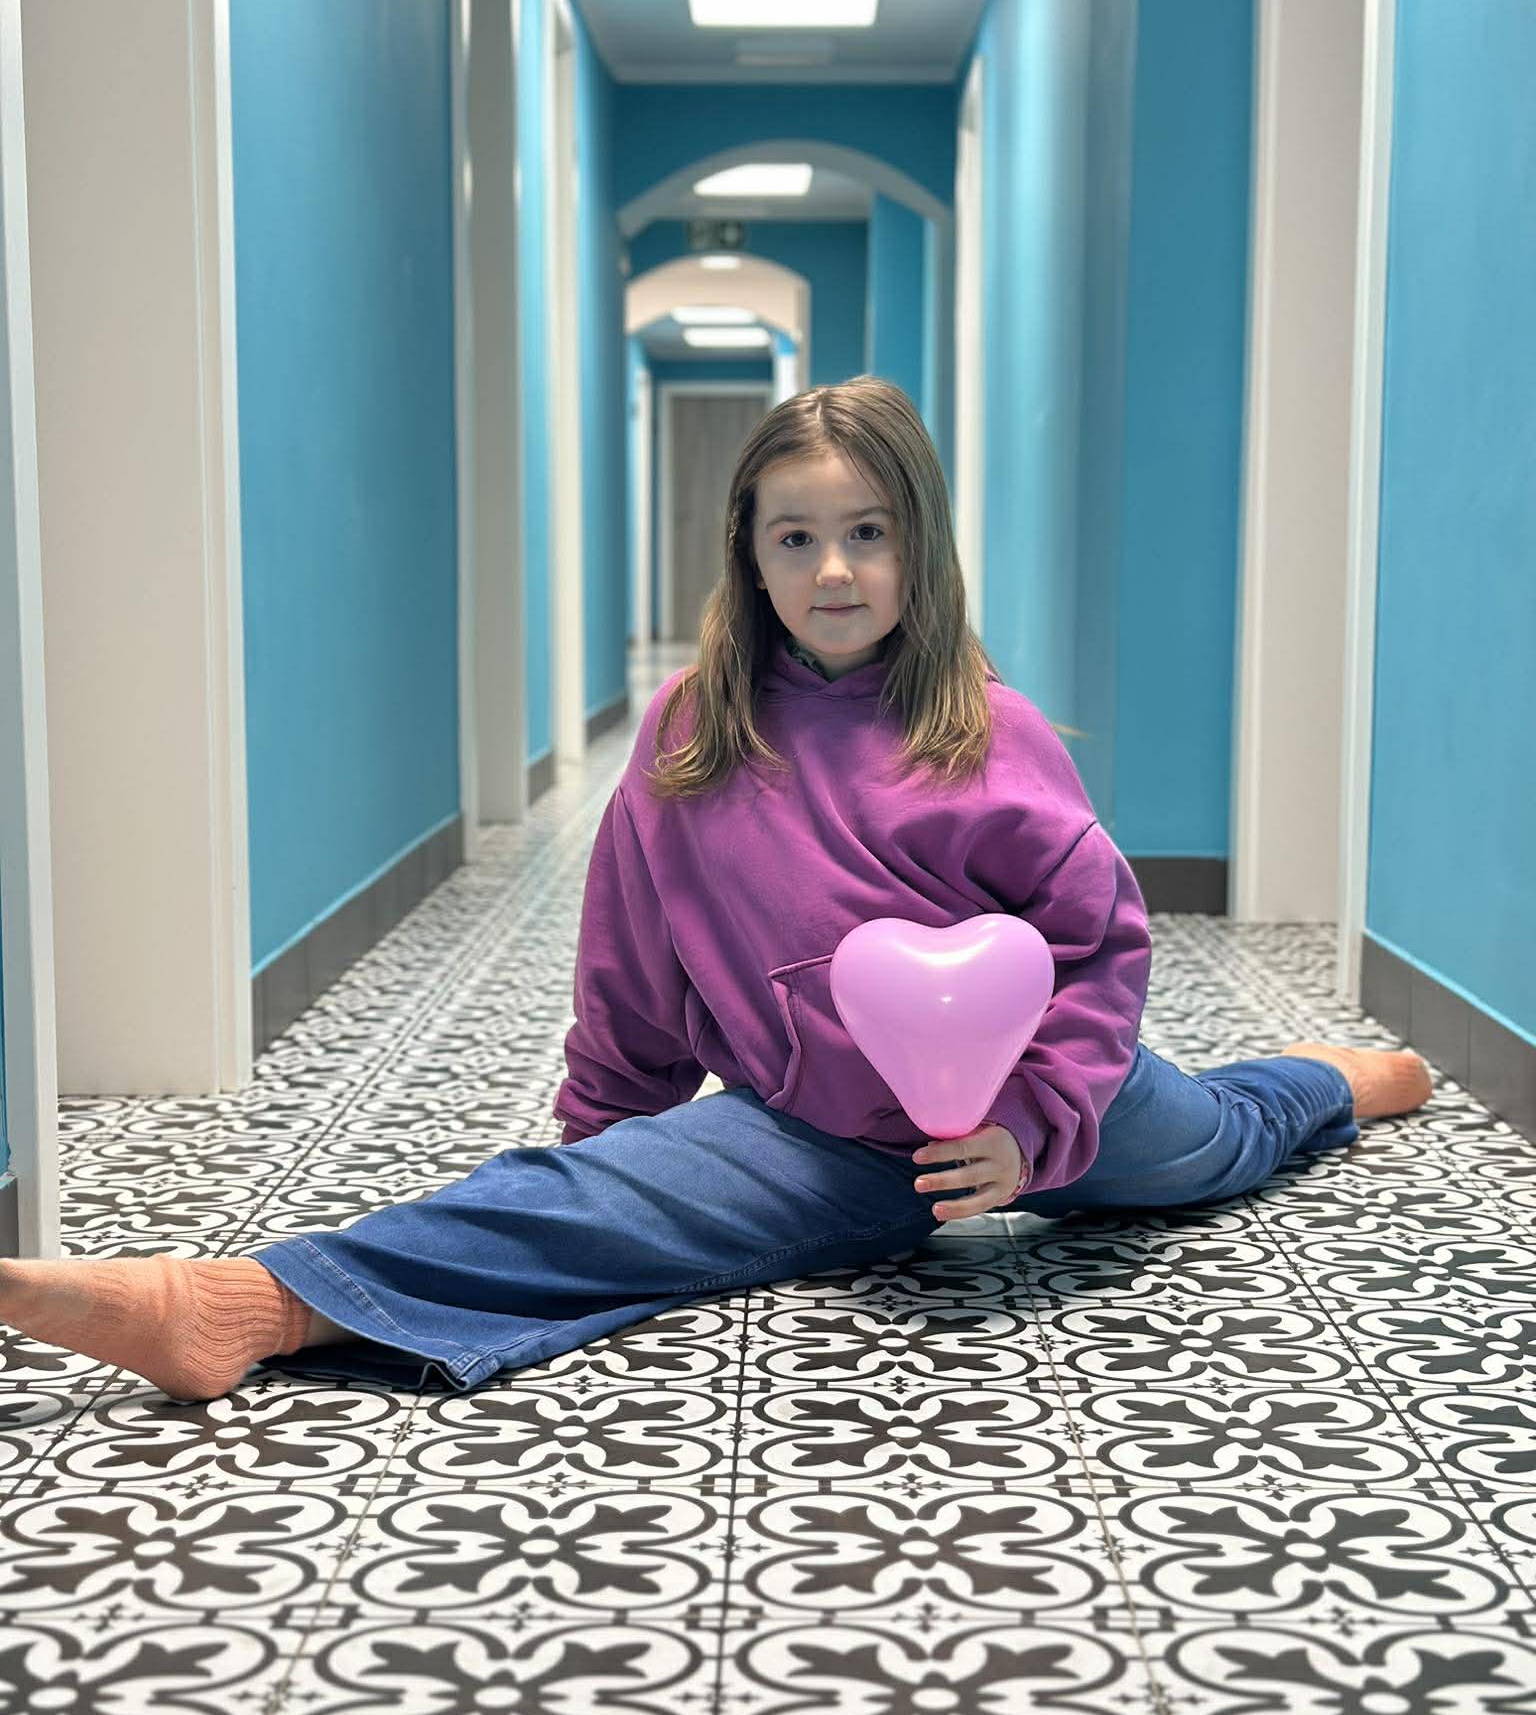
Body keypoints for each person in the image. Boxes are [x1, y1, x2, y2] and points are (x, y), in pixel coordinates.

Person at [0, 376, 1431, 1404]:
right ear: (747, 552)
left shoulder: (994, 735)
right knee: (567, 1205)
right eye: (795, 536)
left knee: (1213, 1151)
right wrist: (603, 1152)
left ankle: (1326, 1080)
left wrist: (1034, 1127)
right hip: (813, 1127)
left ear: (920, 544)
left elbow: (1097, 949)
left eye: (869, 531)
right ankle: (242, 1304)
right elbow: (630, 962)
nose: (834, 568)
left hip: (1039, 1109)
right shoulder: (692, 733)